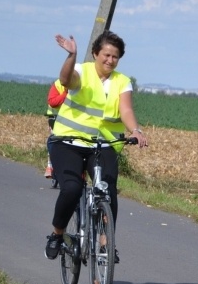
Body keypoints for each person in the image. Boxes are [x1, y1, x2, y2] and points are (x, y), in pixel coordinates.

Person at [44, 30, 148, 262]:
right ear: (95, 54)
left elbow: (126, 110)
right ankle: (57, 234)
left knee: (108, 191)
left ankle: (105, 244)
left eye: (115, 57)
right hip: (68, 141)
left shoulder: (122, 81)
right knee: (71, 188)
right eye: (106, 55)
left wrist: (135, 130)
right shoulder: (82, 70)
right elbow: (65, 80)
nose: (110, 60)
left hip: (103, 145)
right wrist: (71, 56)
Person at [44, 79, 68, 180]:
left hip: (71, 121)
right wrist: (66, 93)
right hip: (55, 119)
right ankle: (50, 166)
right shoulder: (58, 85)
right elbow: (53, 102)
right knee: (52, 141)